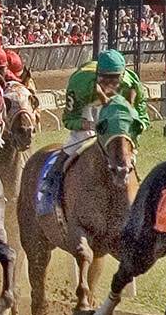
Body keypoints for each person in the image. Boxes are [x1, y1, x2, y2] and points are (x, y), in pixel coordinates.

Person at [36, 50, 141, 214]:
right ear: (97, 75)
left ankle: (139, 192)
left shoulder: (132, 84)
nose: (109, 85)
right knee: (78, 141)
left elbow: (142, 117)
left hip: (117, 110)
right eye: (104, 79)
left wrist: (129, 132)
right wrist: (89, 125)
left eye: (115, 80)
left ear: (123, 76)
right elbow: (69, 119)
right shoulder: (80, 83)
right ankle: (51, 182)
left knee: (124, 150)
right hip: (88, 106)